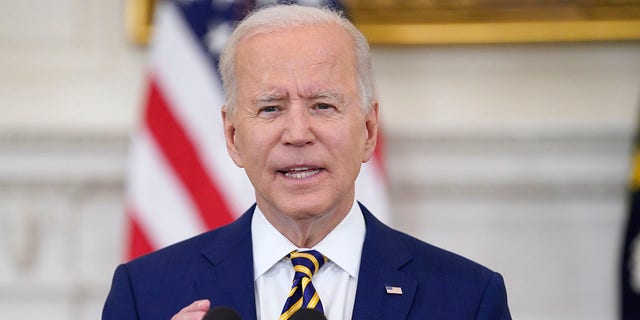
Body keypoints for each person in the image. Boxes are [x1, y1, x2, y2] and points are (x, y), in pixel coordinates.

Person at [103, 4, 512, 320]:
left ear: (368, 130)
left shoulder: (467, 298)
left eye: (322, 105)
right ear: (232, 136)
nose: (298, 133)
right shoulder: (145, 294)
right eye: (270, 109)